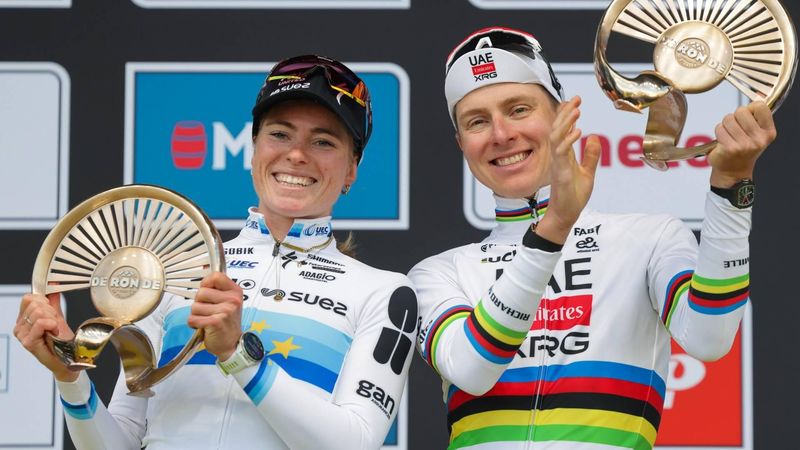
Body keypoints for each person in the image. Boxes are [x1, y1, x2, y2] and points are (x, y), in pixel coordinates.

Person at [14, 54, 418, 449]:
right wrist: (70, 378)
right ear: (254, 147)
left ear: (351, 169)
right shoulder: (175, 273)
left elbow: (355, 441)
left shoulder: (383, 292)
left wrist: (237, 355)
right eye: (279, 134)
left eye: (324, 141)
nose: (297, 154)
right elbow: (119, 441)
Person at [411, 27, 774, 449]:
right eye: (477, 121)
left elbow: (710, 338)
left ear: (562, 113)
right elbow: (473, 369)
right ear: (461, 143)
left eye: (519, 109)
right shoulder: (439, 272)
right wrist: (553, 229)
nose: (500, 134)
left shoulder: (648, 238)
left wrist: (731, 187)